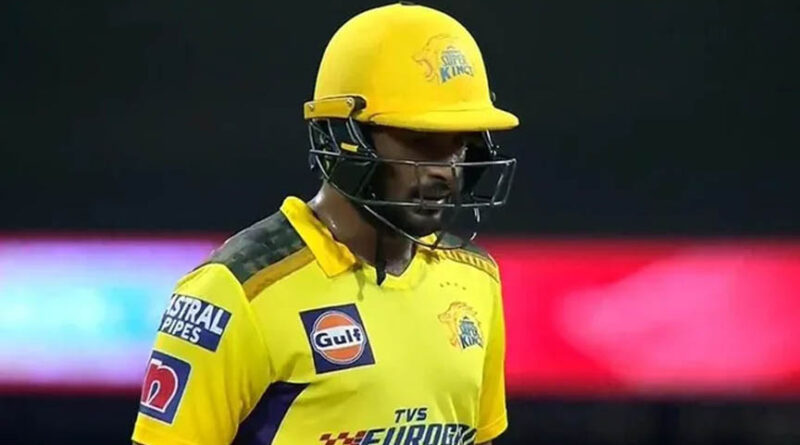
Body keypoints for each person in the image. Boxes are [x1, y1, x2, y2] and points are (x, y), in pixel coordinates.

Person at [132, 3, 519, 444]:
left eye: (459, 145)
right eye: (418, 141)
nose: (445, 171)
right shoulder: (237, 292)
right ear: (343, 138)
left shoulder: (475, 280)